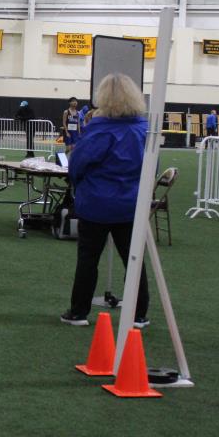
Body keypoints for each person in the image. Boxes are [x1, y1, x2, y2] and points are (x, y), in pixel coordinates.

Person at [61, 73, 151, 328]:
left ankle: (79, 312)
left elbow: (78, 164)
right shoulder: (143, 130)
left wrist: (80, 185)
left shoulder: (99, 129)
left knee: (88, 259)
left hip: (97, 204)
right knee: (133, 260)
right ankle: (138, 314)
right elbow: (151, 167)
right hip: (131, 204)